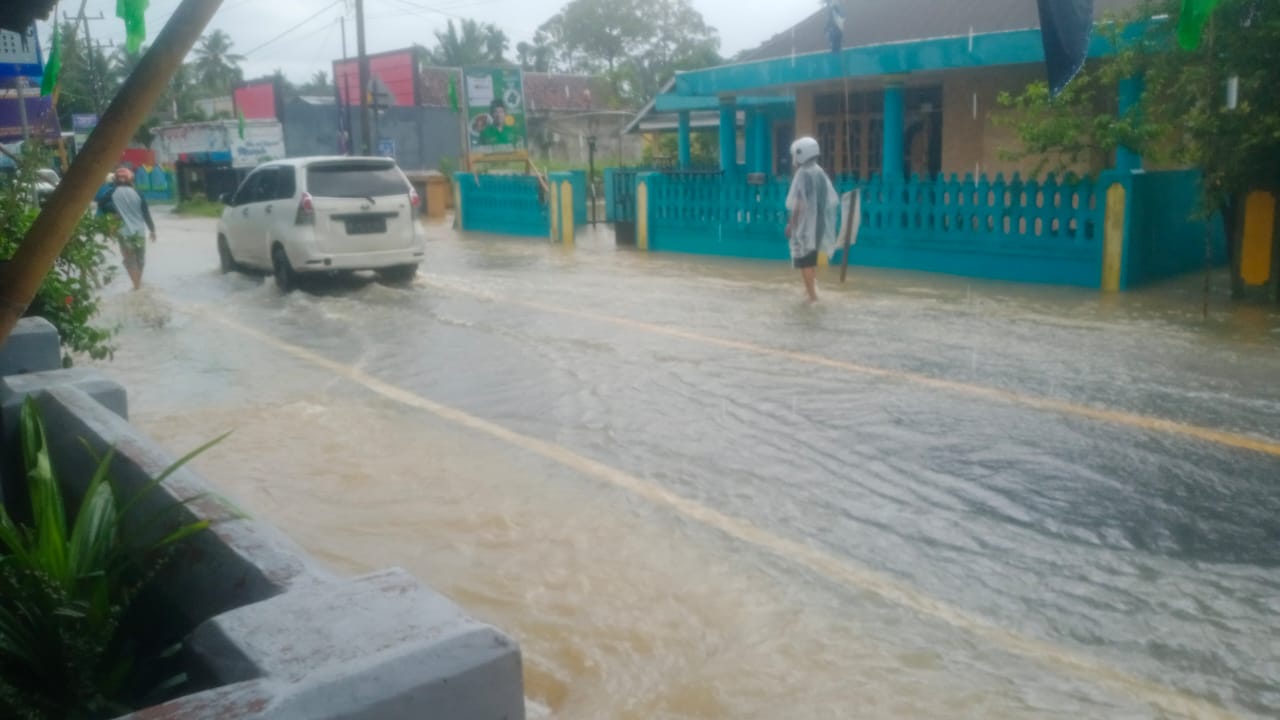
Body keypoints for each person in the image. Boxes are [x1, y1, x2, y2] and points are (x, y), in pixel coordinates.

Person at [784, 136, 839, 303]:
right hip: (819, 225)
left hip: (806, 227)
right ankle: (810, 291)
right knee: (811, 259)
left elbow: (799, 203)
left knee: (805, 261)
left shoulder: (803, 175)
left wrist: (791, 225)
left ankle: (812, 297)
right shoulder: (819, 172)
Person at [100, 167, 157, 291]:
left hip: (123, 232)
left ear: (115, 180)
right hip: (139, 232)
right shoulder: (139, 193)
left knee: (130, 260)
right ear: (131, 179)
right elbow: (146, 213)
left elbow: (101, 204)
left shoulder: (111, 193)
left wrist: (113, 213)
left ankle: (136, 287)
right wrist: (152, 230)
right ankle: (138, 286)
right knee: (140, 260)